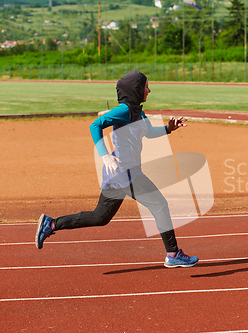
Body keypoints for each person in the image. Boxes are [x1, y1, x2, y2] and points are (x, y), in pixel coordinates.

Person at [35, 71, 199, 268]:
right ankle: (173, 254)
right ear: (136, 89)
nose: (149, 90)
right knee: (160, 205)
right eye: (146, 86)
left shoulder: (138, 111)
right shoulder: (124, 110)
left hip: (123, 173)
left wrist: (168, 129)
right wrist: (105, 155)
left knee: (100, 217)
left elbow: (148, 133)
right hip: (126, 172)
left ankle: (51, 224)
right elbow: (95, 125)